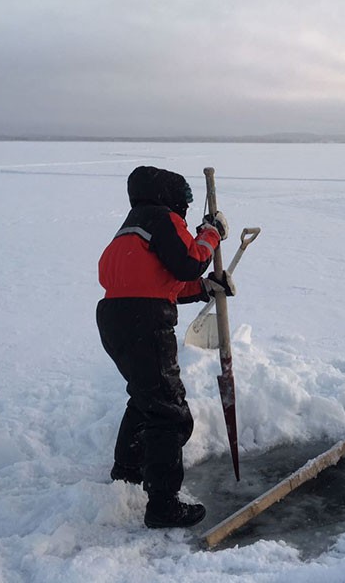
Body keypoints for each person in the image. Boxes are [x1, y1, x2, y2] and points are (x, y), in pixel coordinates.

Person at [96, 166, 234, 529]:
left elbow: (163, 281)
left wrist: (208, 288)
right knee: (169, 413)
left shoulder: (133, 226)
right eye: (183, 202)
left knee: (146, 398)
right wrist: (211, 234)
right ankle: (163, 505)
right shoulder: (162, 218)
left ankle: (126, 474)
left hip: (115, 318)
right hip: (145, 321)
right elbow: (189, 263)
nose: (185, 210)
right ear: (169, 197)